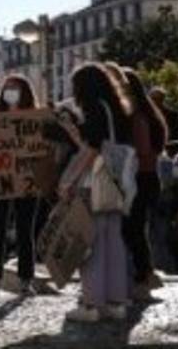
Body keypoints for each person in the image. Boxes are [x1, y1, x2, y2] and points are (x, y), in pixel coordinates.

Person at [59, 63, 134, 323]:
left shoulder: (93, 107)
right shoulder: (116, 109)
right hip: (116, 185)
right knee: (114, 243)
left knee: (90, 244)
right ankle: (116, 302)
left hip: (95, 184)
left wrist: (71, 180)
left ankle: (91, 304)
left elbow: (92, 149)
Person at [0, 76, 42, 296]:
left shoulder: (36, 119)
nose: (10, 93)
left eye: (14, 89)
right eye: (6, 89)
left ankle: (26, 279)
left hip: (27, 182)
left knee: (25, 231)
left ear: (25, 92)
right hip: (0, 179)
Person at [121, 67, 168, 300]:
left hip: (139, 177)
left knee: (133, 229)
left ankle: (143, 275)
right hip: (149, 178)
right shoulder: (149, 113)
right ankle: (145, 273)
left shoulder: (137, 116)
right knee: (138, 229)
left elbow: (143, 150)